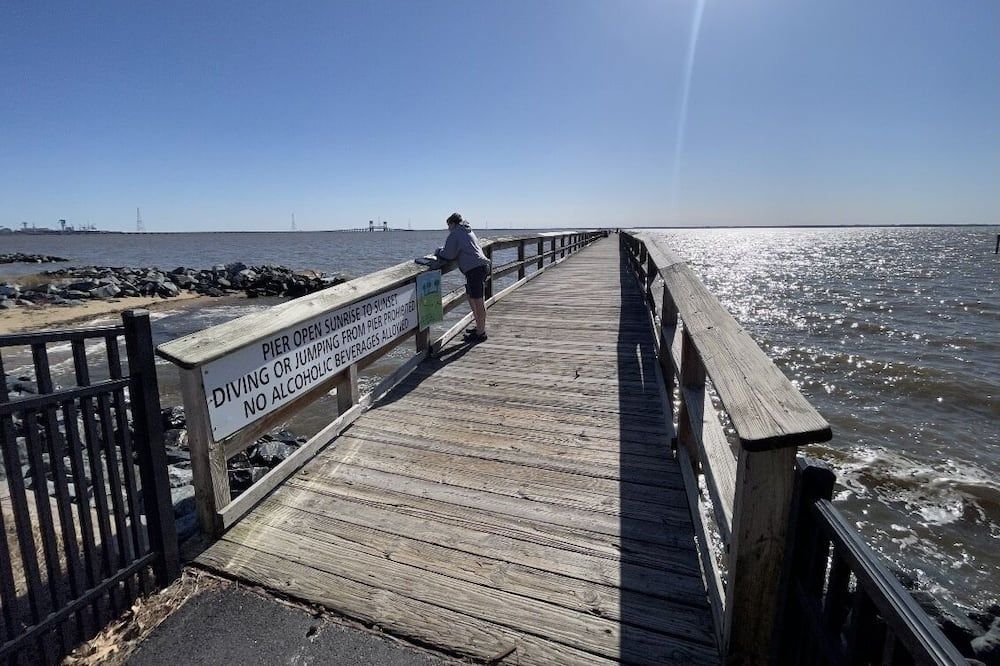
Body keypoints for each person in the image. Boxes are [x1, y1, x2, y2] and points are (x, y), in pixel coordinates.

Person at [435, 212, 489, 342]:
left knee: (478, 301)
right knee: (473, 298)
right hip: (480, 266)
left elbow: (448, 254)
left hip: (474, 269)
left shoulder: (455, 233)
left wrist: (438, 251)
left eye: (448, 226)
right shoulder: (467, 230)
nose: (448, 229)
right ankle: (479, 327)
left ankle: (481, 333)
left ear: (453, 223)